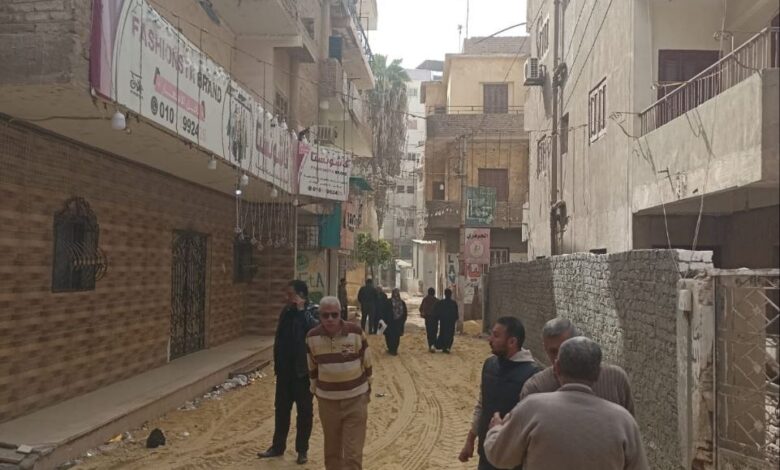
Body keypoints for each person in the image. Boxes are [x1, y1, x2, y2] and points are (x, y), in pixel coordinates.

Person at [483, 337, 649, 470]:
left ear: (556, 368)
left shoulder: (532, 408)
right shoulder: (623, 421)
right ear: (598, 373)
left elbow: (499, 457)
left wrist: (496, 430)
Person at [459, 317, 540, 470]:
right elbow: (482, 406)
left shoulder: (532, 375)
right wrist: (470, 440)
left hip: (513, 459)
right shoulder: (489, 365)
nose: (490, 340)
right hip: (486, 453)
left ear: (512, 342)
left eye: (496, 336)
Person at [306, 297, 372, 470]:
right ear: (319, 316)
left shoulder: (356, 333)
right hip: (328, 403)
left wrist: (366, 392)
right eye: (325, 315)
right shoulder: (312, 338)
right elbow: (312, 368)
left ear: (340, 314)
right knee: (332, 453)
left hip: (355, 400)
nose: (330, 319)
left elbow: (367, 363)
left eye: (334, 315)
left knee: (353, 455)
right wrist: (317, 392)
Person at [258, 280, 319, 465]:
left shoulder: (312, 311)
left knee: (304, 413)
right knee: (282, 411)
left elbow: (314, 330)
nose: (287, 297)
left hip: (303, 373)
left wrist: (301, 311)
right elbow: (280, 338)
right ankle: (278, 447)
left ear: (301, 295)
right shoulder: (286, 311)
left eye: (291, 294)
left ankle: (302, 450)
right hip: (285, 372)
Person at [519, 318, 634, 414]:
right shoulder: (536, 388)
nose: (560, 357)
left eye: (566, 348)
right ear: (545, 348)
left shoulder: (615, 380)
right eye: (553, 351)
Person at [383, 288, 408, 355]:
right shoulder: (402, 303)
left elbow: (384, 312)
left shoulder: (388, 302)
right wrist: (402, 321)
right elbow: (405, 314)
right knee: (396, 337)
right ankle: (394, 350)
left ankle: (390, 349)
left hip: (390, 322)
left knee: (389, 336)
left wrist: (385, 320)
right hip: (398, 323)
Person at [434, 288, 458, 353]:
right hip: (451, 322)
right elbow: (456, 313)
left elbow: (437, 312)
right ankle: (447, 347)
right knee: (450, 334)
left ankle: (443, 346)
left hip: (443, 321)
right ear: (451, 294)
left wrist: (438, 318)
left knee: (443, 333)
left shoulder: (441, 302)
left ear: (445, 294)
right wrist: (455, 319)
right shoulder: (453, 303)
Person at [419, 287, 439, 352]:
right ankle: (433, 345)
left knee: (429, 332)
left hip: (428, 319)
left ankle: (430, 346)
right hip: (435, 319)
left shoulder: (425, 299)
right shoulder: (436, 300)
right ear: (434, 293)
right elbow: (440, 310)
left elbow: (421, 308)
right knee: (434, 332)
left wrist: (424, 314)